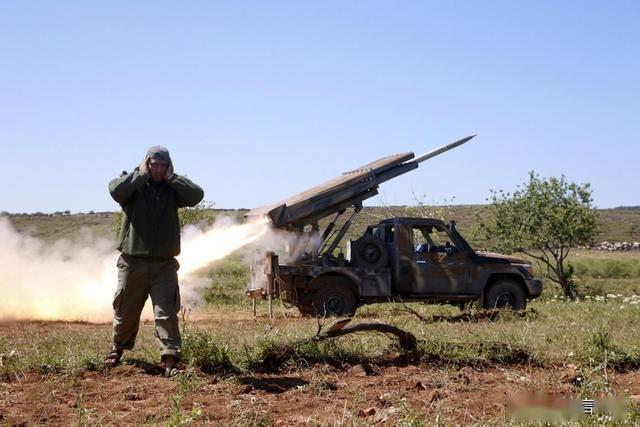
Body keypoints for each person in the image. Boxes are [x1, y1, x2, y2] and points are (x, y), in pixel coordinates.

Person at [104, 146, 204, 375]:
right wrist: (139, 175)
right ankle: (117, 349)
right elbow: (114, 190)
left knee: (166, 312)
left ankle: (170, 359)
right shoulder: (133, 186)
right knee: (126, 310)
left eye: (163, 165)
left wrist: (172, 178)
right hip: (133, 262)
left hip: (164, 265)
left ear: (168, 166)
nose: (158, 169)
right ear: (146, 163)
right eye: (154, 164)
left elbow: (197, 195)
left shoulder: (173, 189)